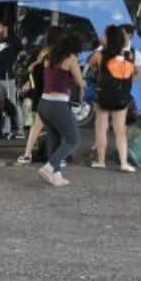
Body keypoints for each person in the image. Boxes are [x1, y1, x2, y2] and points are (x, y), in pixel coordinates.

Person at [36, 32, 86, 187]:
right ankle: (49, 167)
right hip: (58, 104)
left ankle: (56, 175)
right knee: (73, 139)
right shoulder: (71, 59)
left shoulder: (48, 57)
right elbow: (80, 82)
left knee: (54, 139)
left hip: (43, 103)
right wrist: (84, 83)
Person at [90, 26, 138, 172]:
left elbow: (92, 66)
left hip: (103, 95)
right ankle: (124, 163)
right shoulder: (129, 55)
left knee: (101, 127)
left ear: (108, 38)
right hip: (122, 97)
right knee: (120, 130)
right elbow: (133, 72)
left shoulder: (100, 55)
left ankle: (101, 161)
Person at [18, 26, 63, 164]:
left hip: (41, 97)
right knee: (59, 128)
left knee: (36, 127)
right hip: (56, 96)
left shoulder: (40, 55)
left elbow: (32, 74)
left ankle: (27, 154)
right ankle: (59, 158)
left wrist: (30, 85)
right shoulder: (61, 56)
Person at [0, 21, 24, 139]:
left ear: (5, 27)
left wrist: (18, 64)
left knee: (11, 103)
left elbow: (22, 52)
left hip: (9, 77)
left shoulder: (14, 40)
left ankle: (15, 129)